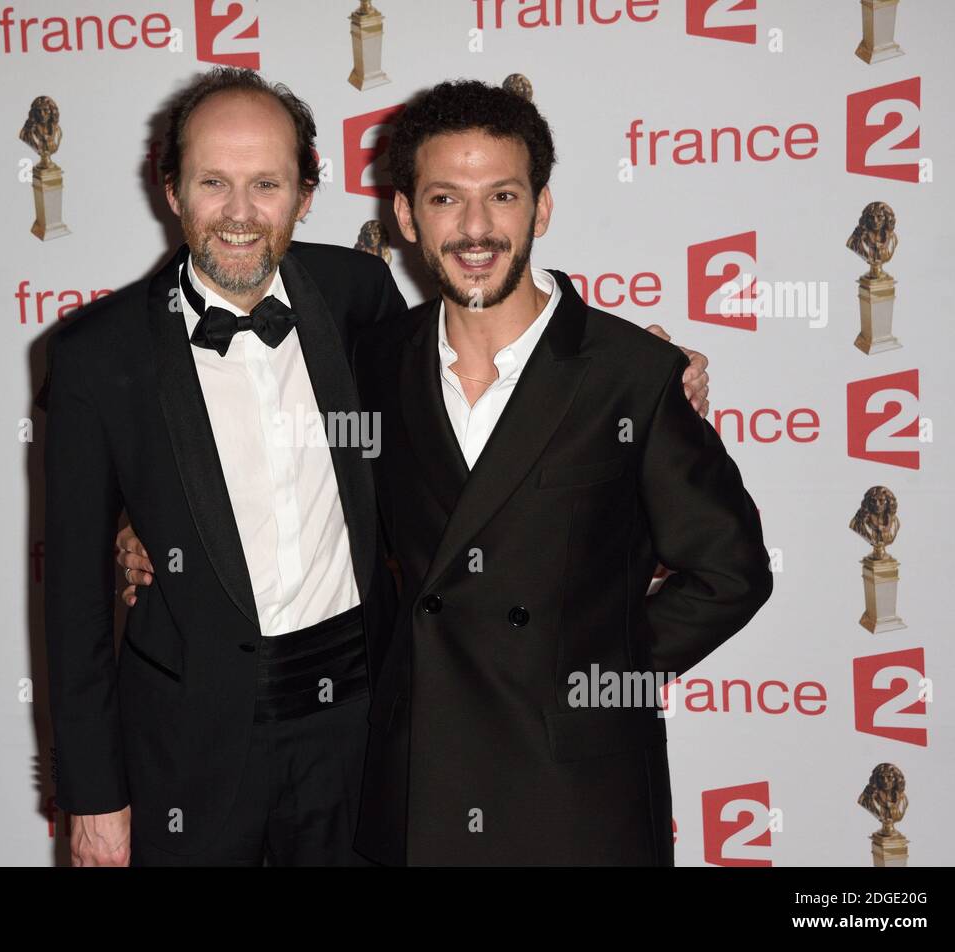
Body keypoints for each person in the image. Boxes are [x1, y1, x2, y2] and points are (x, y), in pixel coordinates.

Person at [62, 68, 709, 867]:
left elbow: (476, 430)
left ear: (305, 195)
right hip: (190, 739)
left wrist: (644, 378)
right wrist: (94, 798)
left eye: (267, 183)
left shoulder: (357, 295)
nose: (238, 212)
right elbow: (71, 602)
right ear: (171, 190)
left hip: (363, 721)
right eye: (212, 183)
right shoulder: (96, 356)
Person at [349, 80, 773, 865]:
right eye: (445, 198)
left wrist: (598, 682)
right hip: (419, 789)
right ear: (406, 216)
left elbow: (731, 572)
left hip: (577, 799)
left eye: (502, 196)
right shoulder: (371, 367)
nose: (476, 229)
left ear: (540, 209)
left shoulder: (629, 373)